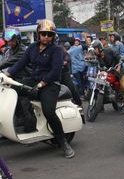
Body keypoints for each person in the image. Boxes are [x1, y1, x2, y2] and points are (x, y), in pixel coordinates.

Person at [5, 19, 75, 158]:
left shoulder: (57, 50)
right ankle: (25, 122)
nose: (46, 37)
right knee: (12, 89)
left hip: (50, 85)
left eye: (49, 34)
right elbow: (21, 63)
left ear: (53, 36)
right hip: (34, 81)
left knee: (49, 112)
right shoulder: (32, 48)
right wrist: (6, 74)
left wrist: (42, 84)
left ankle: (63, 143)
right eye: (43, 34)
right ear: (38, 34)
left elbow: (55, 71)